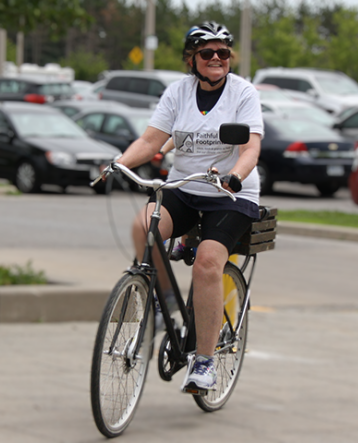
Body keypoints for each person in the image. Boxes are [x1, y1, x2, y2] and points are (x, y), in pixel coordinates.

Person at [114, 21, 263, 394]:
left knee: (208, 262)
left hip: (231, 195)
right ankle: (165, 304)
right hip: (185, 186)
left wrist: (236, 177)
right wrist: (118, 164)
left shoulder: (243, 93)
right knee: (142, 227)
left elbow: (251, 149)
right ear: (191, 59)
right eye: (207, 53)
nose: (216, 59)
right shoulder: (178, 92)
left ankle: (205, 361)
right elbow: (151, 140)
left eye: (223, 53)